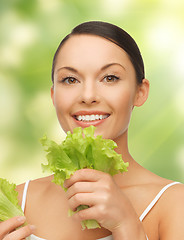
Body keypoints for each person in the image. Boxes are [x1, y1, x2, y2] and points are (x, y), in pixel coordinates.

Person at [0, 21, 183, 240]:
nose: (88, 96)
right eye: (70, 79)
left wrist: (126, 224)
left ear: (140, 92)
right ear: (53, 96)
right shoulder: (15, 201)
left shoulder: (174, 204)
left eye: (110, 78)